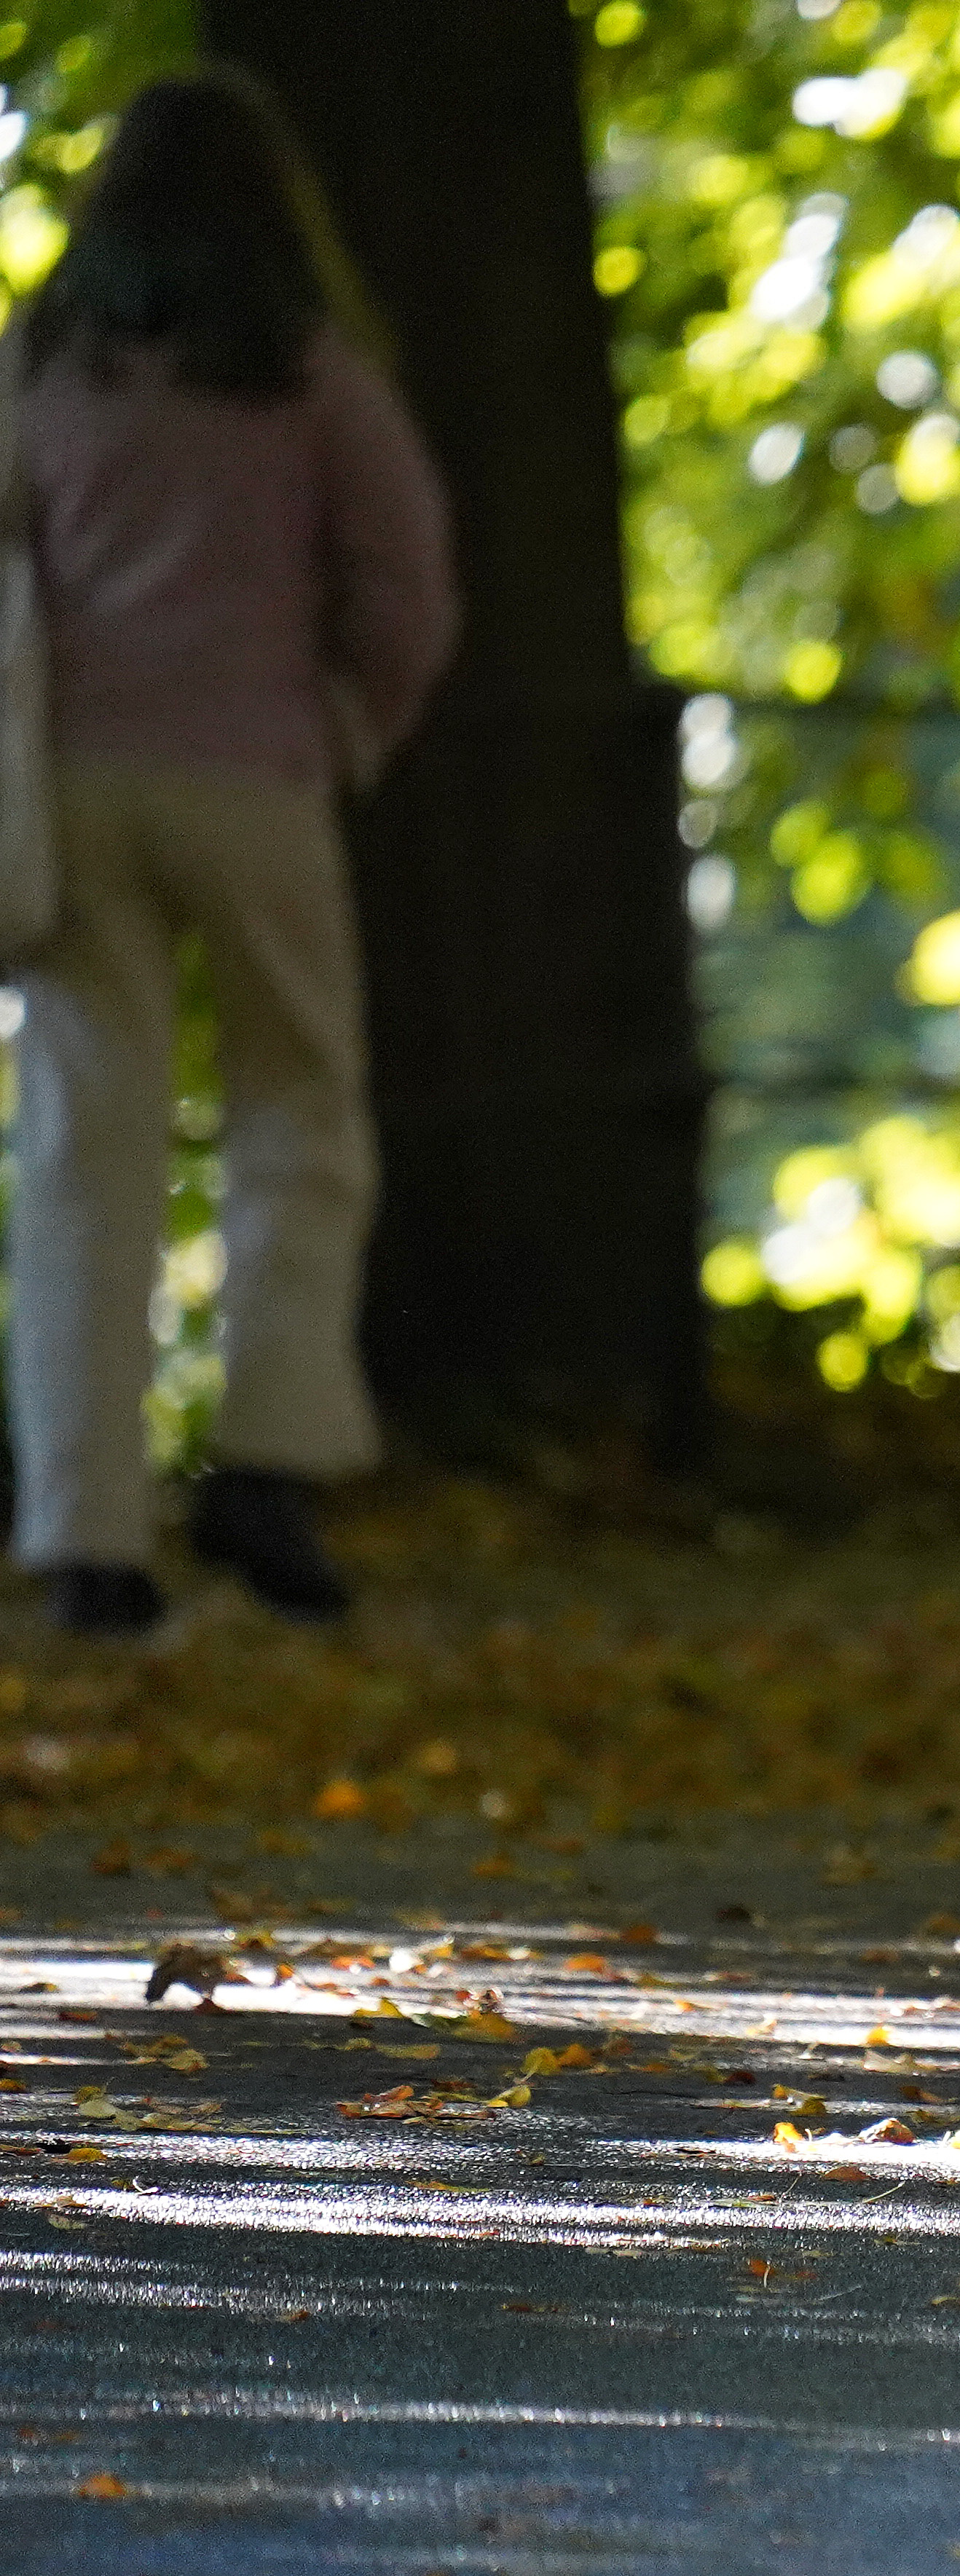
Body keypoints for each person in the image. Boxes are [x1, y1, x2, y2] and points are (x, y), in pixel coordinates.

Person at [5, 71, 455, 1638]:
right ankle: (267, 1463)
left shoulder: (42, 374)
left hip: (73, 798)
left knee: (82, 1152)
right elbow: (408, 591)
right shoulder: (313, 380)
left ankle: (84, 1533)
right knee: (297, 1113)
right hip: (257, 781)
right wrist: (339, 727)